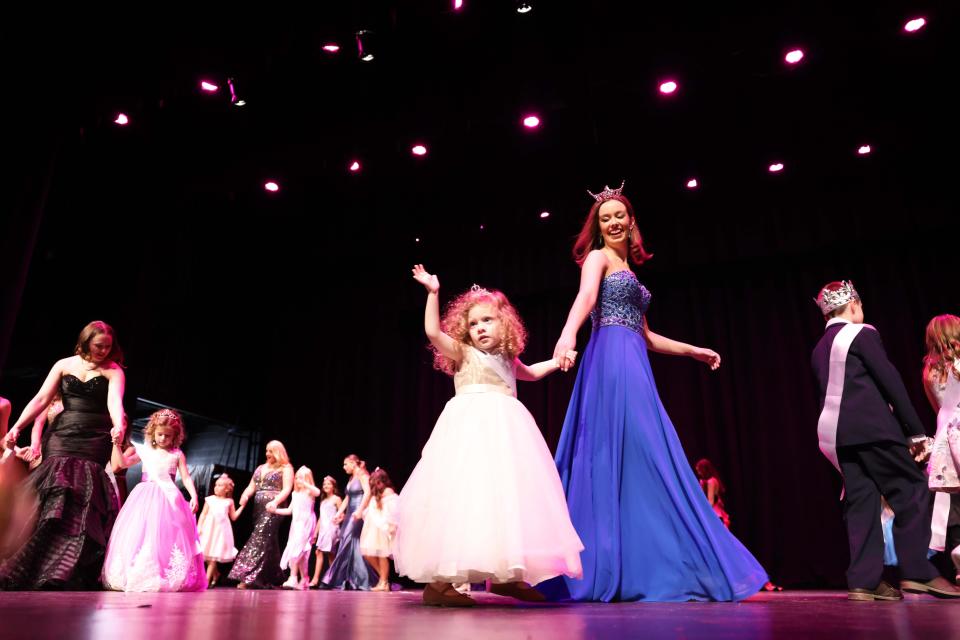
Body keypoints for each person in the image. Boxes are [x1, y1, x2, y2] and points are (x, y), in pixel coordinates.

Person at [545, 183, 767, 602]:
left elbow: (646, 335)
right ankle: (604, 560)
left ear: (631, 223)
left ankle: (647, 558)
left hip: (633, 358)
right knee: (629, 447)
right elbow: (587, 296)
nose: (613, 222)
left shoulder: (631, 271)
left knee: (647, 450)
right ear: (598, 226)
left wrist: (693, 351)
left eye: (619, 216)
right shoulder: (597, 258)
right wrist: (567, 336)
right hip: (610, 358)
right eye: (605, 217)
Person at [394, 267, 583, 607]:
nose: (480, 328)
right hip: (470, 432)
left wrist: (558, 362)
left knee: (505, 499)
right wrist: (433, 293)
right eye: (474, 323)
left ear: (504, 323)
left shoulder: (508, 358)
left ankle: (506, 576)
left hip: (507, 433)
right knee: (466, 498)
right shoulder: (464, 353)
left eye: (487, 321)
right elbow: (431, 331)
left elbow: (531, 373)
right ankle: (440, 583)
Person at [811, 281, 960, 600]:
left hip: (836, 435)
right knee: (911, 489)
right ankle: (918, 572)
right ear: (853, 306)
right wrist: (915, 430)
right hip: (873, 429)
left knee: (861, 501)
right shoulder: (862, 332)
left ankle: (864, 580)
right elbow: (889, 380)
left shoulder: (819, 347)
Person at [0, 321, 126, 589]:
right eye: (98, 345)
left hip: (94, 437)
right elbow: (41, 399)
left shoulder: (113, 371)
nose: (104, 351)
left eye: (108, 346)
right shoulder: (63, 364)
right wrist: (17, 427)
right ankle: (31, 561)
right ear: (85, 342)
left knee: (82, 497)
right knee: (53, 489)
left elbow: (115, 402)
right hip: (62, 434)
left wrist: (119, 425)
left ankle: (62, 569)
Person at [102, 408, 205, 592]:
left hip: (168, 499)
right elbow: (121, 465)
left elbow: (186, 477)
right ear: (152, 432)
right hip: (145, 497)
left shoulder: (177, 454)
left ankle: (163, 572)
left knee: (167, 535)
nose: (164, 438)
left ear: (175, 436)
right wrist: (116, 445)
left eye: (168, 435)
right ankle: (136, 571)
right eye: (160, 434)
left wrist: (194, 494)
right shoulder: (145, 450)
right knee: (141, 531)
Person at [921, 314, 960, 581]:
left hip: (946, 437)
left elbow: (938, 409)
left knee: (952, 500)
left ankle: (958, 550)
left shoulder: (929, 371)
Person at [229, 440, 294, 588]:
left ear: (278, 452)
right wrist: (245, 495)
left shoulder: (286, 468)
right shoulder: (260, 467)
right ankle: (272, 575)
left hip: (273, 507)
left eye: (271, 451)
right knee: (268, 540)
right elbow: (252, 486)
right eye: (266, 451)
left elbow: (287, 489)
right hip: (258, 506)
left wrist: (275, 501)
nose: (267, 454)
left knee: (259, 537)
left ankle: (246, 576)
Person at [320, 454, 378, 590]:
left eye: (346, 464)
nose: (344, 467)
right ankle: (349, 577)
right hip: (349, 514)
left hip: (358, 513)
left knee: (349, 540)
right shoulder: (352, 478)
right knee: (347, 541)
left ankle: (343, 577)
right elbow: (347, 497)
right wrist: (339, 513)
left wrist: (360, 510)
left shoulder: (363, 475)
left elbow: (368, 493)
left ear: (353, 463)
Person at [272, 465, 320, 590]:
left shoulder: (310, 492)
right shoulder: (295, 494)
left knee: (297, 550)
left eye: (301, 478)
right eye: (297, 477)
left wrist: (305, 483)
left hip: (306, 523)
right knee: (300, 552)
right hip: (296, 524)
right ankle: (304, 578)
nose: (298, 480)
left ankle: (293, 577)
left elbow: (317, 492)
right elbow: (289, 511)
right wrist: (275, 510)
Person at [197, 473, 244, 588]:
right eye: (216, 485)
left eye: (220, 485)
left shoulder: (229, 502)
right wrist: (199, 527)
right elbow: (203, 514)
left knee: (213, 556)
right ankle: (216, 574)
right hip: (208, 529)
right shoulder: (210, 499)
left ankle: (206, 581)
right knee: (207, 554)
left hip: (221, 532)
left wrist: (242, 506)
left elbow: (233, 517)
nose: (216, 487)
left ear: (227, 489)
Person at [359, 467, 400, 592]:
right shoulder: (375, 493)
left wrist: (392, 525)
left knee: (382, 554)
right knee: (367, 553)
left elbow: (393, 510)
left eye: (377, 481)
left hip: (382, 527)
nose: (375, 484)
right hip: (373, 527)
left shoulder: (388, 491)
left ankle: (384, 582)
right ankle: (383, 579)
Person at [308, 475, 341, 587]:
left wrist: (338, 519)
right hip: (323, 529)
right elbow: (321, 518)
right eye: (324, 484)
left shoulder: (336, 499)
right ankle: (333, 578)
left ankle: (316, 579)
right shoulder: (323, 501)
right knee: (330, 554)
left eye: (329, 484)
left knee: (320, 552)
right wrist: (315, 533)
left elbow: (342, 514)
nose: (326, 486)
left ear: (333, 486)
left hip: (331, 528)